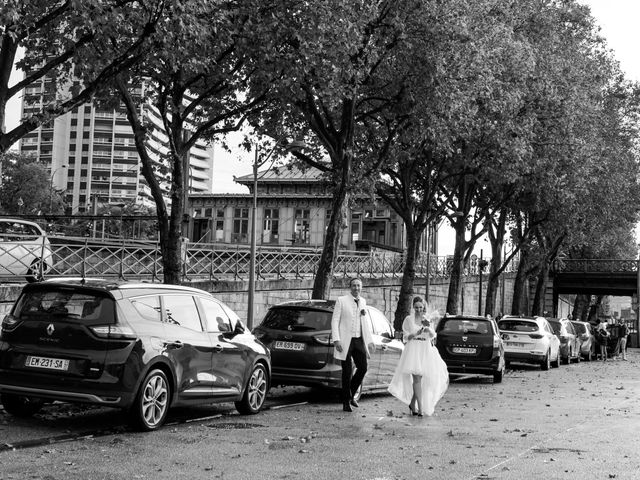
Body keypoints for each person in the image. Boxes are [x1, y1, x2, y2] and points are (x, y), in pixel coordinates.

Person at [388, 296, 448, 417]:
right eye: (416, 307)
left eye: (421, 307)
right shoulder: (408, 319)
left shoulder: (427, 318)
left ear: (423, 307)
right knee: (416, 379)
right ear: (413, 307)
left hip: (425, 349)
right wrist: (416, 333)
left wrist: (427, 329)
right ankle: (420, 408)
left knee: (421, 379)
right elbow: (406, 337)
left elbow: (433, 335)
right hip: (414, 349)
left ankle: (412, 403)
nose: (418, 310)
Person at [331, 277, 375, 412]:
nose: (356, 288)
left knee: (363, 368)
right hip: (345, 340)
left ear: (361, 287)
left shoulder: (363, 301)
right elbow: (335, 321)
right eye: (354, 285)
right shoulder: (341, 301)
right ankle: (346, 402)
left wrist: (369, 341)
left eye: (358, 286)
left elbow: (364, 323)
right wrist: (336, 339)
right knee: (347, 371)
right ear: (350, 287)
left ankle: (350, 393)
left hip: (358, 340)